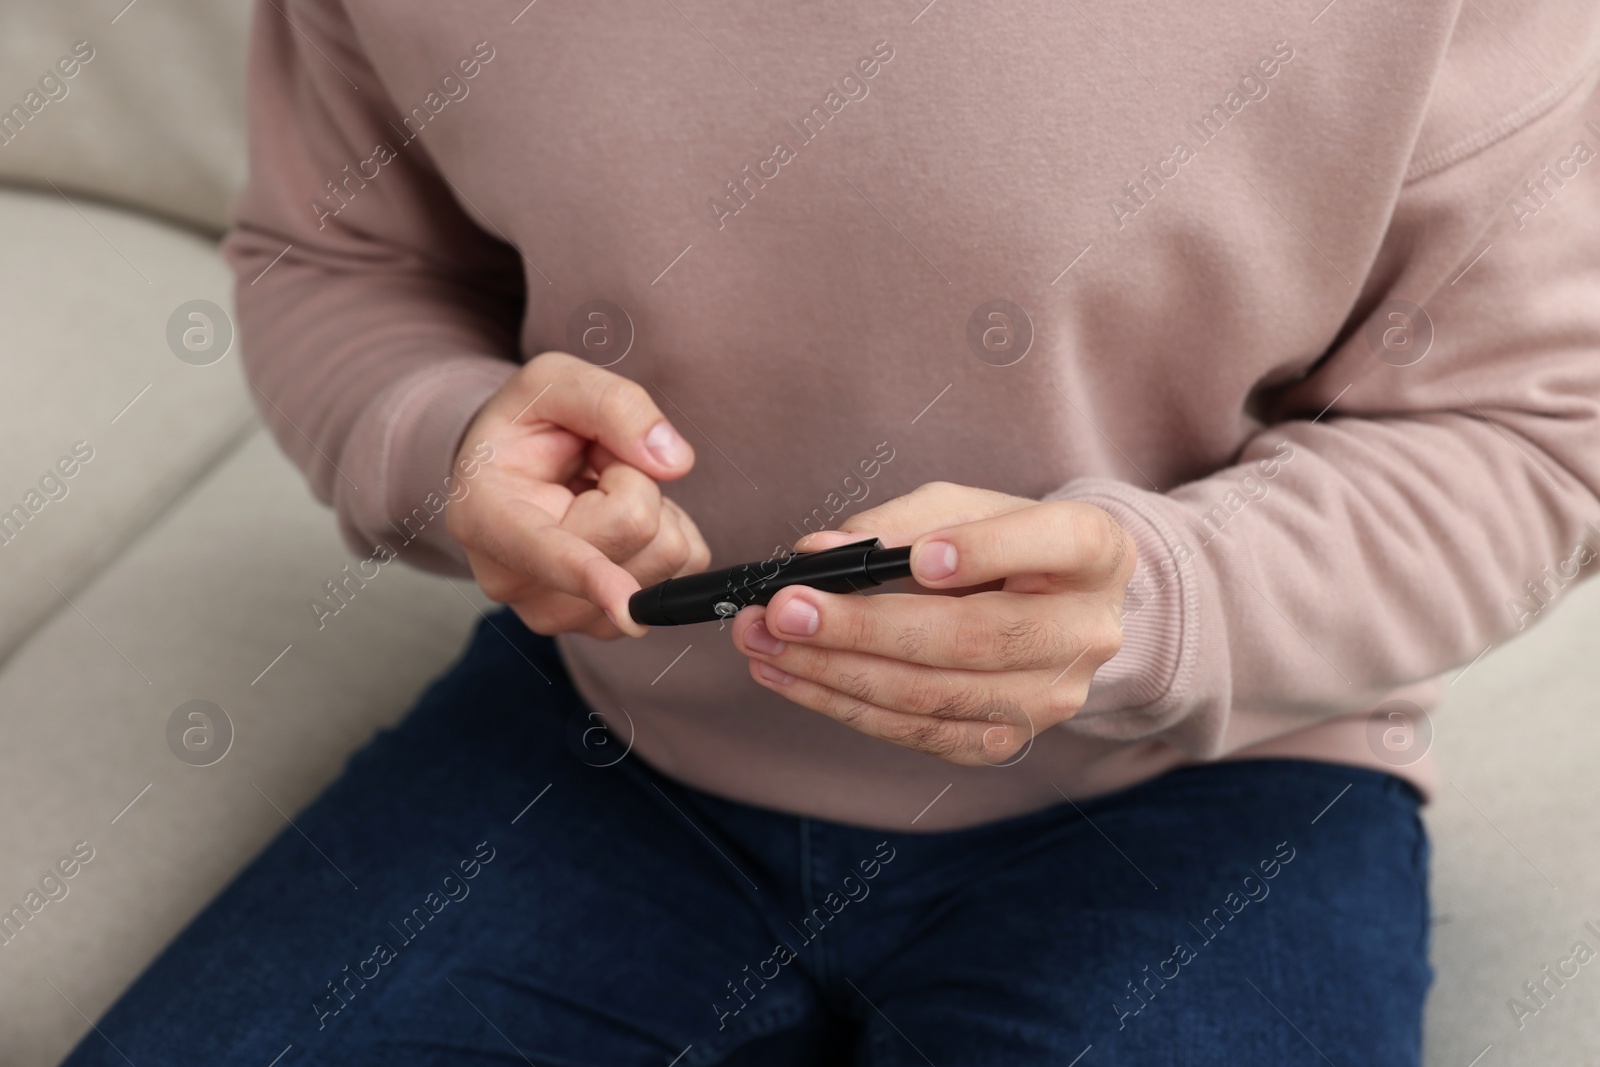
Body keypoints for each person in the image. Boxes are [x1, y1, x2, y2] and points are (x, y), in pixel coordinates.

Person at [66, 0, 1600, 1063]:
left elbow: (1535, 428)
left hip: (1210, 790)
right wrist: (445, 442)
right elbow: (334, 258)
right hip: (605, 737)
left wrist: (1165, 601)